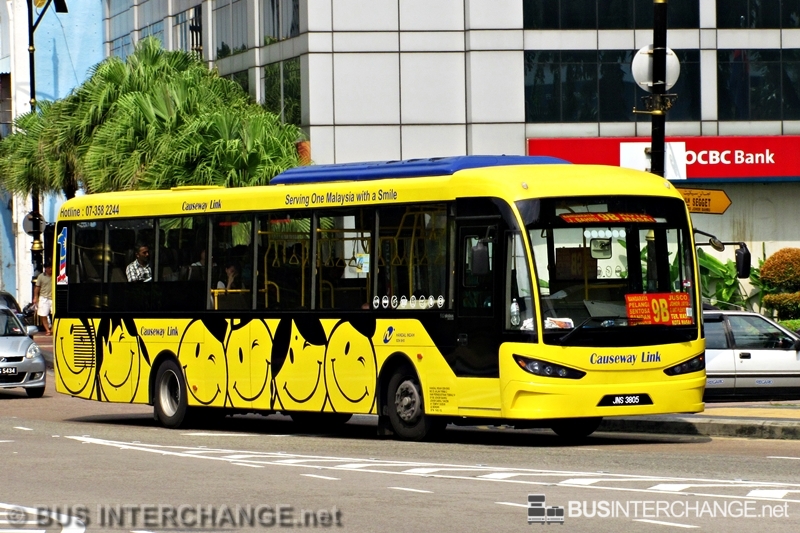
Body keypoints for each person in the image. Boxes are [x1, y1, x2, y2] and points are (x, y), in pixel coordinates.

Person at [34, 264, 53, 335]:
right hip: (44, 298)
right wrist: (35, 297)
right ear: (45, 268)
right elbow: (37, 287)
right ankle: (47, 330)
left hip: (53, 298)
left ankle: (53, 328)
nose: (50, 269)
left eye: (51, 267)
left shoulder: (55, 275)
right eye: (49, 267)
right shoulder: (41, 276)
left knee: (54, 314)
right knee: (43, 314)